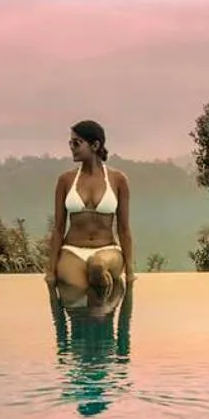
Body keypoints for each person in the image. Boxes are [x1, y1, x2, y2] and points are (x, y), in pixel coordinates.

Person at [45, 120, 133, 314]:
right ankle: (106, 306)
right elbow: (59, 228)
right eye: (70, 143)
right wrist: (50, 271)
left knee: (96, 267)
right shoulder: (65, 180)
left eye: (76, 143)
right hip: (72, 251)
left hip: (107, 249)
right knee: (79, 292)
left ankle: (108, 304)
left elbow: (124, 229)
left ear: (95, 145)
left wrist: (131, 272)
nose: (72, 148)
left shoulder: (117, 180)